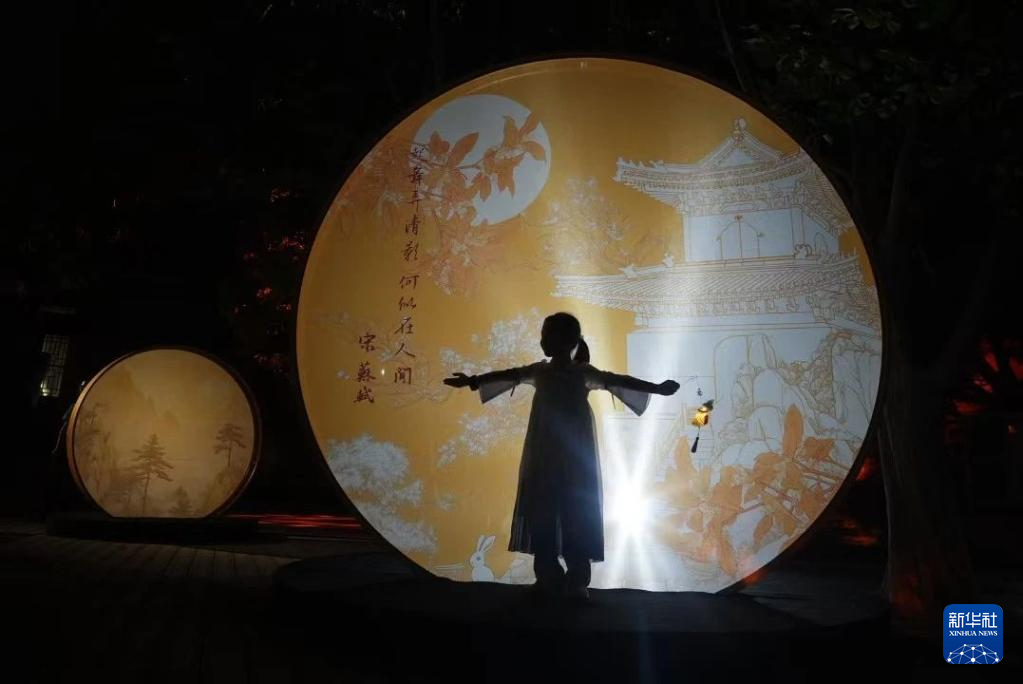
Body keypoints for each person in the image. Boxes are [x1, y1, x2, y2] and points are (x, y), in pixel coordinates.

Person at [443, 312, 679, 600]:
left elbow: (616, 380)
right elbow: (509, 375)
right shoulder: (543, 372)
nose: (543, 341)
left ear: (564, 341)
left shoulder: (580, 374)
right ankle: (549, 578)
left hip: (572, 460)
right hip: (544, 457)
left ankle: (576, 581)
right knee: (546, 513)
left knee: (573, 515)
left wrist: (656, 388)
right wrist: (473, 381)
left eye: (547, 336)